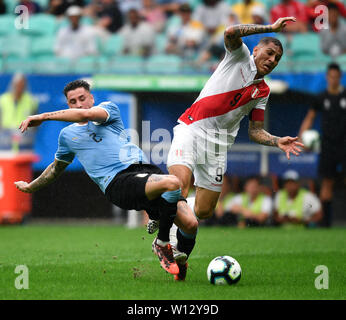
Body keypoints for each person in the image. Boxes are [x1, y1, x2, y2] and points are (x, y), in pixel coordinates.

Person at [148, 17, 304, 277]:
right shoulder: (239, 57)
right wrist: (271, 28)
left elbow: (255, 132)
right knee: (178, 186)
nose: (272, 60)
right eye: (269, 53)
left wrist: (277, 141)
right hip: (191, 129)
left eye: (277, 58)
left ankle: (164, 209)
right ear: (256, 50)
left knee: (203, 211)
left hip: (218, 147)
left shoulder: (263, 92)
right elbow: (231, 31)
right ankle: (164, 239)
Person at [14, 79, 190, 277]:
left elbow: (86, 114)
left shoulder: (108, 110)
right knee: (173, 183)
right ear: (68, 106)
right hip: (118, 182)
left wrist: (43, 116)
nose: (79, 104)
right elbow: (55, 169)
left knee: (190, 223)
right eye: (73, 102)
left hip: (145, 171)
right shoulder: (67, 135)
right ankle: (163, 242)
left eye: (82, 98)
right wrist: (31, 186)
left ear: (92, 98)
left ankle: (178, 270)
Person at [298, 63, 346, 227]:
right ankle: (326, 224)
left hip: (344, 145)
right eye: (331, 76)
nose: (333, 79)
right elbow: (309, 118)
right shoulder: (320, 97)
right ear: (327, 77)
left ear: (340, 77)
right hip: (328, 146)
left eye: (336, 76)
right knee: (327, 182)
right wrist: (300, 138)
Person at [0, 73, 38, 150]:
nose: (19, 88)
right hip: (5, 138)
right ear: (12, 85)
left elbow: (36, 122)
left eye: (21, 85)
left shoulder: (31, 101)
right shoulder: (3, 100)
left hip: (25, 138)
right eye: (17, 85)